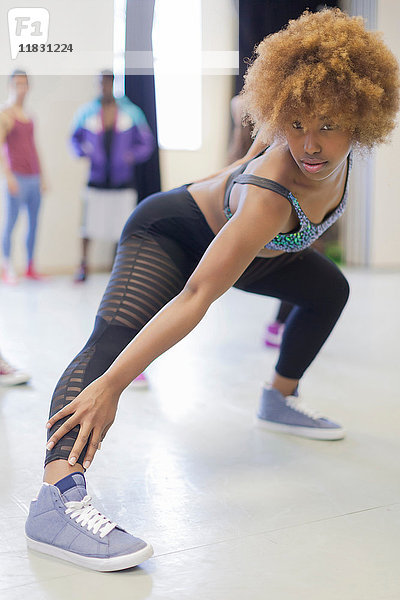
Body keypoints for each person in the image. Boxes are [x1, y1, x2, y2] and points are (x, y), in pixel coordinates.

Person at [25, 9, 399, 571]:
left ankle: (279, 397)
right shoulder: (270, 194)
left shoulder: (327, 152)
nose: (310, 144)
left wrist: (239, 136)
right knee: (110, 348)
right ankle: (57, 497)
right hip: (171, 233)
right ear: (281, 111)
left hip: (254, 251)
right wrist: (116, 386)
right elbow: (198, 295)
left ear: (360, 117)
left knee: (329, 291)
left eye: (326, 123)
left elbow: (241, 106)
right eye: (294, 123)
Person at [70, 70, 155, 284]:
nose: (103, 87)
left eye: (107, 83)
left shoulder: (131, 112)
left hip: (122, 179)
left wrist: (130, 156)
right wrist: (83, 151)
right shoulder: (87, 112)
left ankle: (122, 267)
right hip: (96, 178)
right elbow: (74, 139)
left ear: (113, 84)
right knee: (87, 224)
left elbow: (146, 142)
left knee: (124, 225)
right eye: (100, 83)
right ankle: (83, 265)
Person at [0, 70, 47, 284]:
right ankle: (6, 267)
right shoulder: (5, 115)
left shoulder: (29, 116)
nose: (21, 88)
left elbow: (33, 147)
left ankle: (30, 267)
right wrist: (8, 177)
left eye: (24, 84)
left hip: (33, 177)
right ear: (11, 86)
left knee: (33, 224)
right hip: (16, 177)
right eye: (17, 84)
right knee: (11, 223)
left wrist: (42, 176)